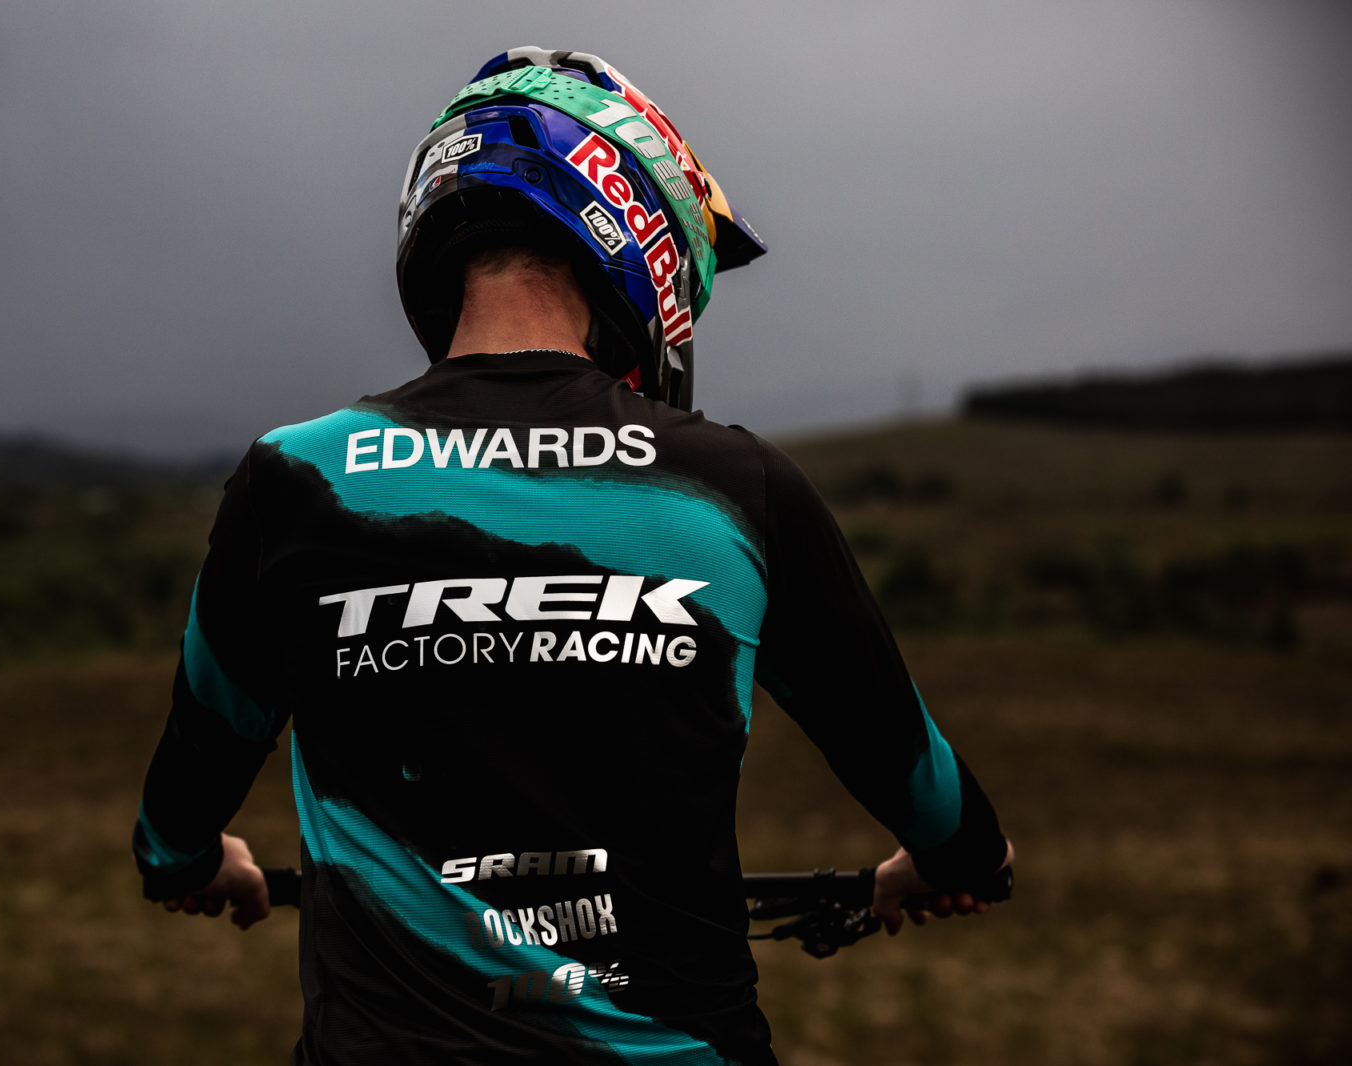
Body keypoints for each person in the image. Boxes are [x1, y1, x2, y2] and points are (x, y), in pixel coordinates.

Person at [133, 47, 1011, 1065]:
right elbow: (917, 777)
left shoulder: (293, 478)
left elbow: (179, 804)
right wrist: (958, 858)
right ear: (641, 231)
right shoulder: (736, 487)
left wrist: (194, 861)